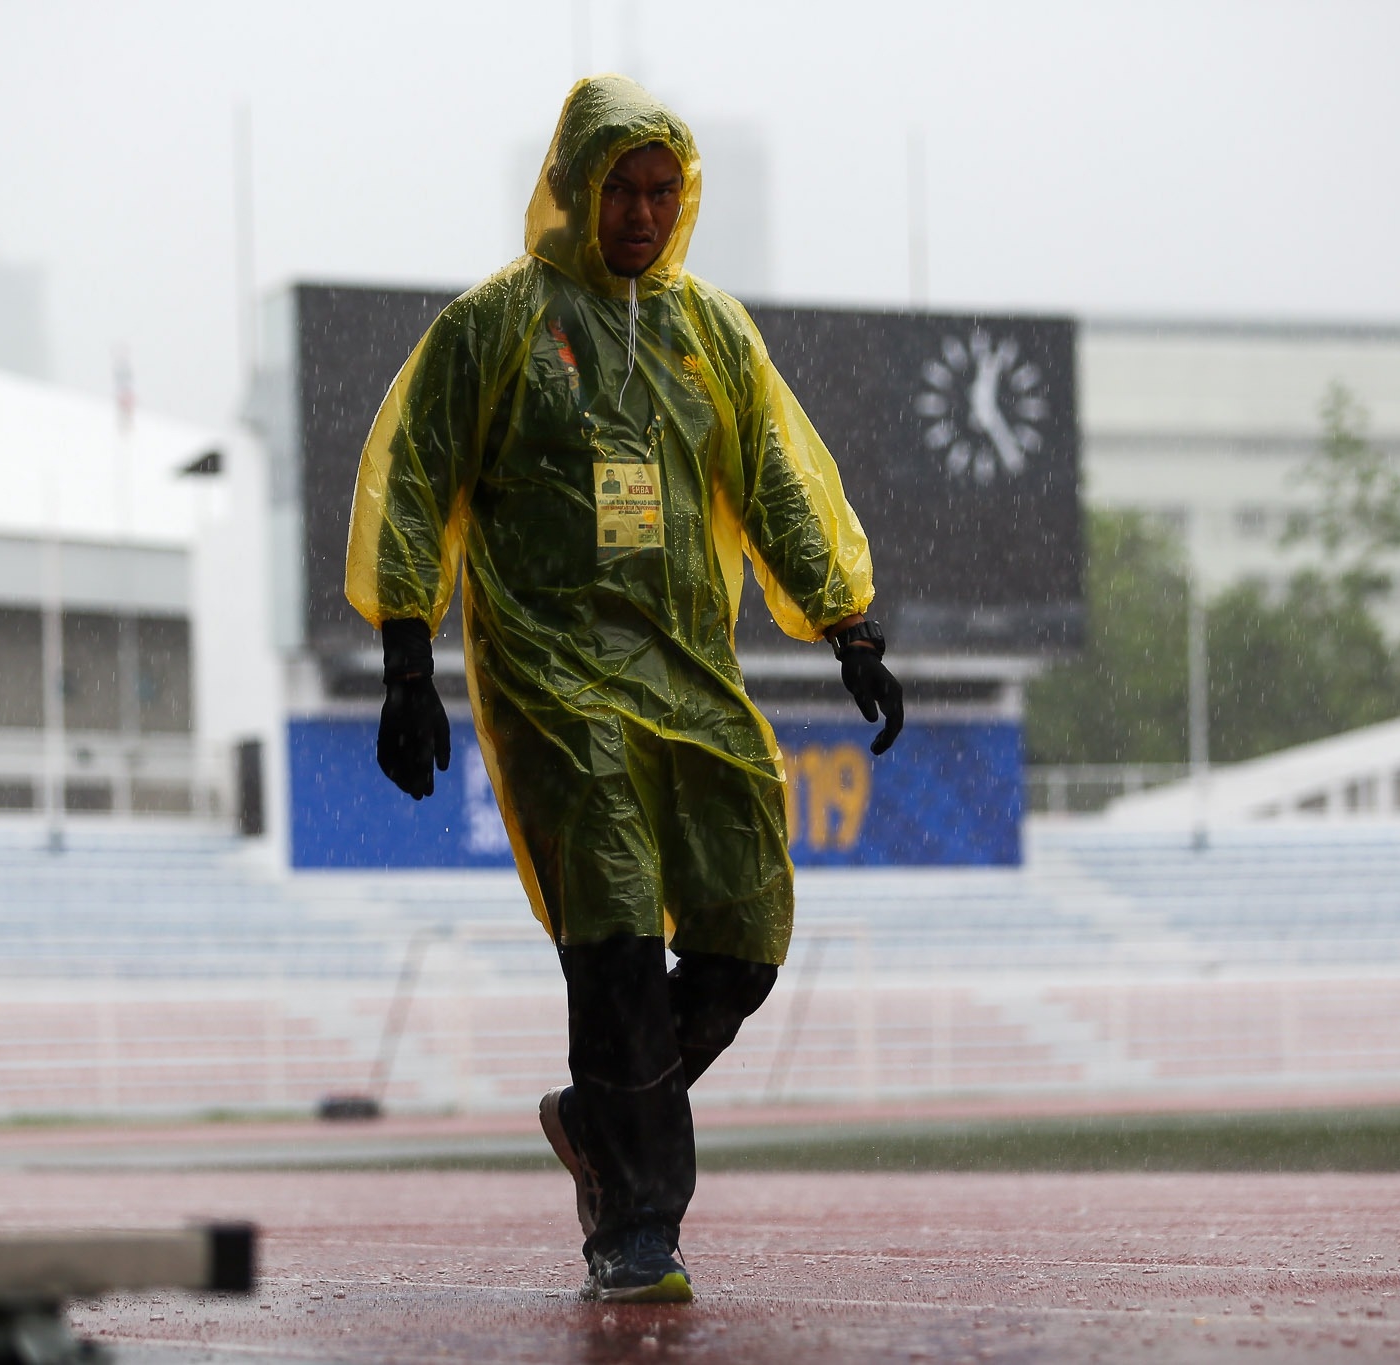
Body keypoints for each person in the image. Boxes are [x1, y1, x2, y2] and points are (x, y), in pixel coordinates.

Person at [344, 74, 903, 1304]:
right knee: (611, 935)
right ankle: (637, 1228)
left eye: (661, 191)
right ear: (573, 189)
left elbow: (776, 482)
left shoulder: (712, 333)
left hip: (690, 674)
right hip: (553, 680)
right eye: (620, 189)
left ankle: (597, 1114)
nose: (642, 214)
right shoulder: (495, 326)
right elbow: (414, 477)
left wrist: (848, 625)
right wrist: (405, 660)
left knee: (744, 932)